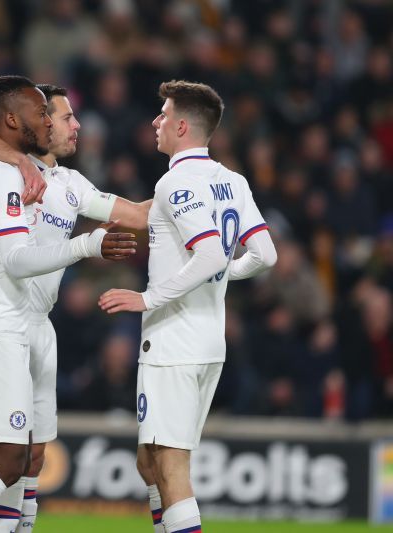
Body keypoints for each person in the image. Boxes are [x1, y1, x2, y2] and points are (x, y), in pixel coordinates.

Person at [0, 83, 149, 533]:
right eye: (55, 115)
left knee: (18, 456)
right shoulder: (5, 174)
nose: (71, 124)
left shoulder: (66, 184)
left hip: (30, 325)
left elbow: (136, 213)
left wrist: (188, 193)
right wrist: (86, 244)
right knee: (5, 459)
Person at [98, 80, 277, 533]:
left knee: (172, 467)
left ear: (180, 125)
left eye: (162, 114)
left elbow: (213, 253)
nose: (155, 121)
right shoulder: (232, 181)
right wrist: (222, 277)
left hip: (173, 343)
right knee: (149, 461)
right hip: (207, 342)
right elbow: (264, 255)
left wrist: (147, 298)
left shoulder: (176, 181)